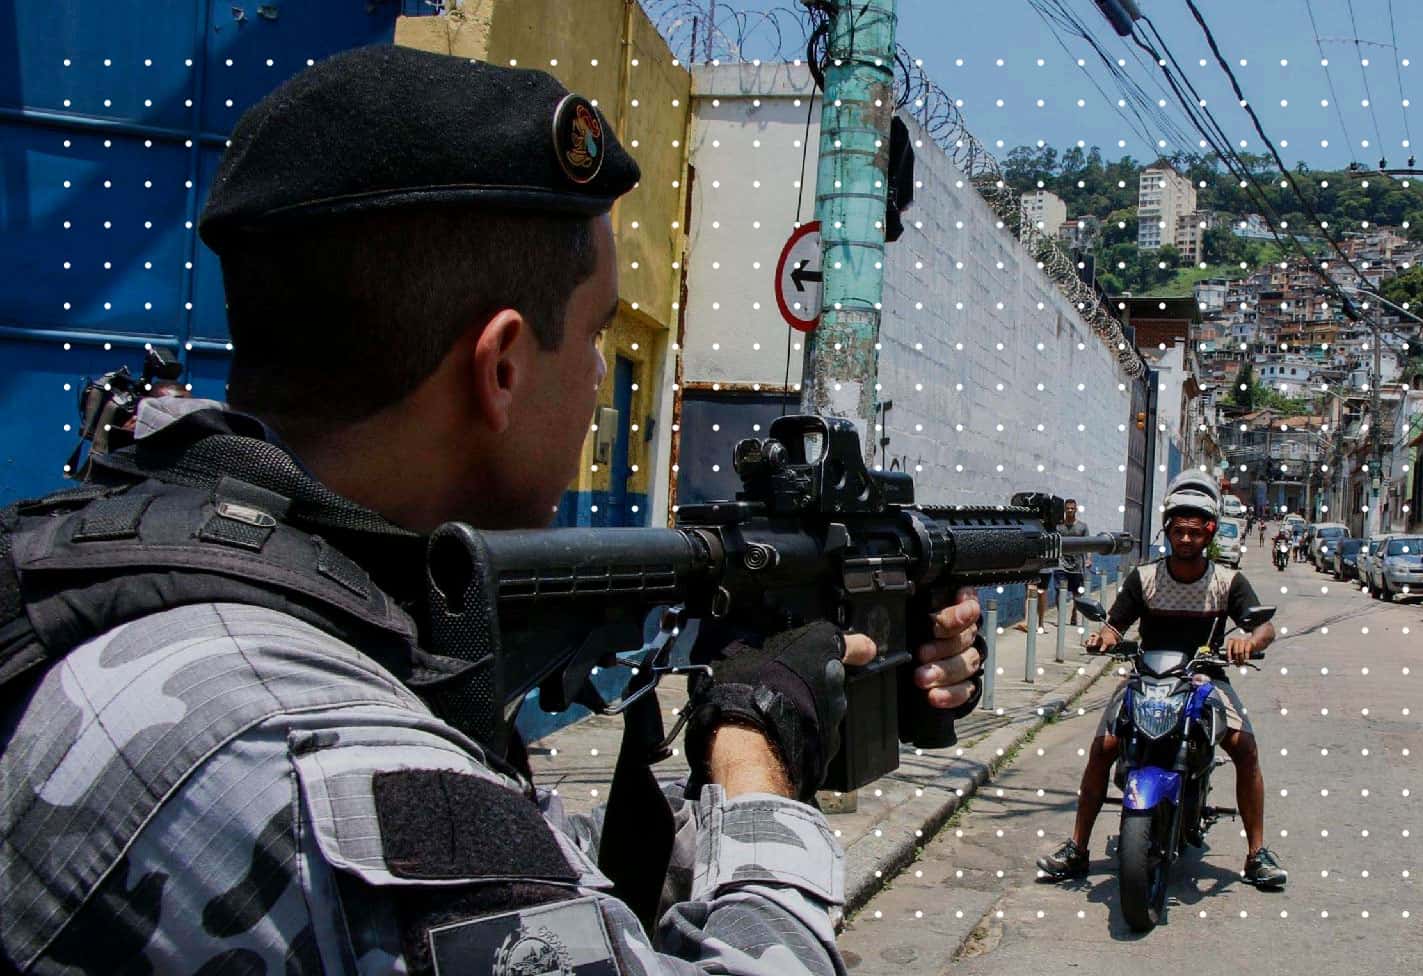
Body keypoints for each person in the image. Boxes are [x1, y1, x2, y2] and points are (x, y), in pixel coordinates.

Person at [0, 45, 987, 975]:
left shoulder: (145, 547)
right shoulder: (325, 767)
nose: (600, 373)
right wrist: (757, 761)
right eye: (595, 334)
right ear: (503, 366)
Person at [1034, 471, 1288, 890]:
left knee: (1245, 749)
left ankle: (1257, 852)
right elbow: (1116, 624)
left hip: (1206, 680)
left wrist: (1249, 640)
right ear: (1167, 531)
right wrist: (1104, 637)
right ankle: (1078, 848)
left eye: (1194, 532)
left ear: (1208, 533)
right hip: (1146, 677)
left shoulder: (1227, 581)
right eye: (1178, 531)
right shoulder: (1144, 578)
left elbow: (1265, 628)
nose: (1186, 540)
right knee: (1103, 749)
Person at [1054, 498, 1091, 626]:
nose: (1070, 510)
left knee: (1077, 593)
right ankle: (1060, 616)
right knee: (1060, 590)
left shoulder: (1082, 527)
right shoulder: (1058, 526)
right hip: (1061, 563)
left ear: (1075, 509)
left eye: (1072, 508)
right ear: (1065, 509)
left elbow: (1088, 545)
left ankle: (1075, 613)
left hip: (1077, 565)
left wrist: (1088, 559)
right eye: (1068, 508)